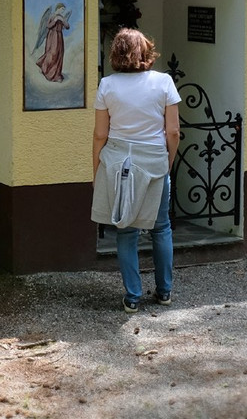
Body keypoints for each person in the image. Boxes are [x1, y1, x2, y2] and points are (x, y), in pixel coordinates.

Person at [91, 28, 181, 313]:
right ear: (146, 52)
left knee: (126, 231)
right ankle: (164, 291)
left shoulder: (107, 85)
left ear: (116, 54)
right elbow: (174, 131)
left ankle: (132, 296)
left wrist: (96, 169)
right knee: (161, 227)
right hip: (154, 159)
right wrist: (167, 162)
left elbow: (99, 134)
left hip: (119, 162)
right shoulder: (164, 82)